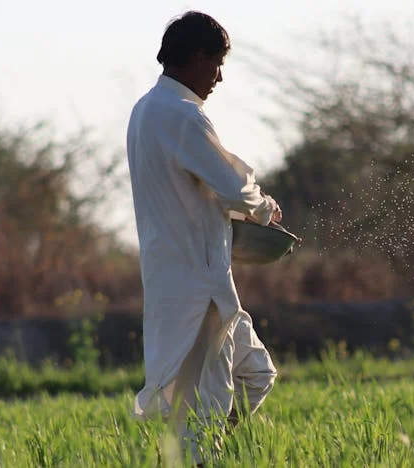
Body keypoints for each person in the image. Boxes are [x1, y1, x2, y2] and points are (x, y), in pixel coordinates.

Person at [126, 10, 281, 461]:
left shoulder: (145, 111)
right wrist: (266, 209)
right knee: (207, 407)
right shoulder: (182, 115)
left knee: (257, 375)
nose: (218, 77)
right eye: (217, 64)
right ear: (196, 57)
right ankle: (196, 457)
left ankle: (198, 455)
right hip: (199, 292)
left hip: (185, 281)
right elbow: (234, 188)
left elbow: (199, 188)